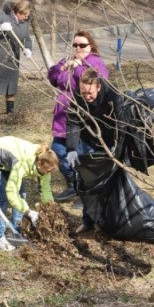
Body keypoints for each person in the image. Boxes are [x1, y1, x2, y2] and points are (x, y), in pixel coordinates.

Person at [47, 30, 109, 205]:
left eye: (82, 45)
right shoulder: (68, 59)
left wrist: (78, 66)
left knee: (83, 156)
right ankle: (73, 184)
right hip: (62, 117)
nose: (78, 48)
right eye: (75, 45)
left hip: (83, 117)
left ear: (91, 46)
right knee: (59, 151)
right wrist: (62, 67)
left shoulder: (95, 62)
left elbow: (99, 82)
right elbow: (52, 77)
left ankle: (87, 192)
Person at [66, 69, 123, 234]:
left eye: (90, 93)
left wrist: (117, 147)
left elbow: (121, 123)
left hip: (111, 140)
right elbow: (73, 122)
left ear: (98, 87)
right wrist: (71, 148)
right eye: (83, 92)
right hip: (88, 138)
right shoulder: (78, 95)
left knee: (109, 184)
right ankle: (88, 221)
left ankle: (106, 223)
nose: (86, 97)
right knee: (87, 181)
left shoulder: (113, 96)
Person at [0, 136, 58, 251]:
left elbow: (45, 190)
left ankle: (15, 231)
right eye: (47, 171)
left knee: (22, 194)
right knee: (4, 198)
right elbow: (11, 192)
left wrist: (51, 209)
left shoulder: (45, 164)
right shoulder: (22, 162)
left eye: (50, 171)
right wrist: (28, 211)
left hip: (8, 162)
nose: (48, 173)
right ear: (39, 163)